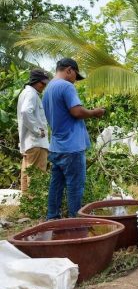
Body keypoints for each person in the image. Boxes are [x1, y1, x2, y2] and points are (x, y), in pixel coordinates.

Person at [43, 58, 105, 220]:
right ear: (69, 70)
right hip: (71, 147)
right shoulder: (66, 86)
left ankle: (52, 218)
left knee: (56, 185)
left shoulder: (48, 89)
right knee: (75, 186)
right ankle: (74, 222)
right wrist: (94, 112)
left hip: (56, 146)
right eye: (75, 76)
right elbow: (76, 112)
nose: (75, 81)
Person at [17, 69, 51, 192]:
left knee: (27, 176)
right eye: (42, 83)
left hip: (28, 143)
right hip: (36, 143)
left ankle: (27, 210)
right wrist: (38, 130)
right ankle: (36, 210)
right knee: (37, 178)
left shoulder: (25, 93)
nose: (44, 86)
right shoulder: (32, 94)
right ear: (35, 81)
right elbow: (26, 112)